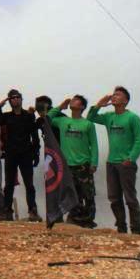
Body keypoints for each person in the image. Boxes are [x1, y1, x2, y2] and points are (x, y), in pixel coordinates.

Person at [88, 86, 140, 234]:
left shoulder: (133, 118)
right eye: (113, 95)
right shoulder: (109, 117)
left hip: (126, 163)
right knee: (114, 197)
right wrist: (99, 104)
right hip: (111, 162)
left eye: (118, 95)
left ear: (126, 100)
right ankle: (121, 228)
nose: (114, 97)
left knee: (130, 198)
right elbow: (90, 118)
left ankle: (136, 230)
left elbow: (139, 141)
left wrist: (131, 158)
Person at [48, 95, 99, 228]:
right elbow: (47, 118)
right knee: (72, 193)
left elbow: (94, 145)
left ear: (82, 106)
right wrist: (60, 106)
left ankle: (88, 220)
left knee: (88, 193)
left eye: (76, 100)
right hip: (67, 165)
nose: (72, 101)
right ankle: (75, 218)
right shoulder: (63, 121)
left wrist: (94, 162)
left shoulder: (88, 124)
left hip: (84, 164)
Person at [0, 89, 41, 222]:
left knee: (29, 184)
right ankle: (7, 211)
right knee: (9, 184)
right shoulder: (6, 116)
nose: (15, 100)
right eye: (12, 98)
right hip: (11, 153)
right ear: (9, 101)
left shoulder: (29, 115)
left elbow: (34, 135)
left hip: (26, 154)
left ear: (21, 99)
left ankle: (33, 211)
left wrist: (36, 153)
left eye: (17, 97)